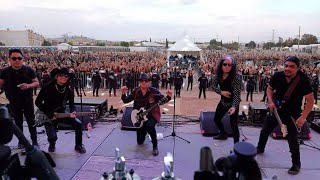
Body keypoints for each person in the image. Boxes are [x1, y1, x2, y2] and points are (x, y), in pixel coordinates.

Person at [256, 56, 314, 175]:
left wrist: (303, 117)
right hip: (277, 110)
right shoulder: (278, 76)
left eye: (292, 67)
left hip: (292, 114)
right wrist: (271, 101)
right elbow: (270, 89)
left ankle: (296, 164)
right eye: (286, 65)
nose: (288, 68)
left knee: (292, 139)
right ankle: (260, 148)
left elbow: (310, 100)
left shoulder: (303, 80)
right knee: (265, 130)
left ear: (298, 68)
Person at [35, 68, 86, 154]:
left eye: (66, 76)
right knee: (52, 136)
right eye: (61, 75)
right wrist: (50, 113)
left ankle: (78, 145)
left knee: (78, 124)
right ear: (57, 77)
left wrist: (73, 111)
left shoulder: (68, 90)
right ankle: (52, 143)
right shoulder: (47, 87)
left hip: (62, 113)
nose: (64, 77)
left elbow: (72, 104)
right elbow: (37, 102)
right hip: (48, 114)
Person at [121, 73, 172, 156]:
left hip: (152, 115)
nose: (143, 82)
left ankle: (155, 146)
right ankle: (144, 131)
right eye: (142, 81)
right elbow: (126, 100)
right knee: (140, 142)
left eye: (145, 81)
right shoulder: (136, 91)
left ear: (148, 82)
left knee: (150, 126)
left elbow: (163, 100)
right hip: (140, 117)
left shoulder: (153, 91)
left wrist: (168, 97)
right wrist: (123, 93)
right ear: (139, 82)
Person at [0, 49, 39, 148]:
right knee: (18, 123)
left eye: (19, 58)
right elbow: (0, 83)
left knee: (31, 121)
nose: (17, 60)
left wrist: (28, 86)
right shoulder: (5, 72)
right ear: (10, 59)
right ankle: (21, 142)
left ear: (22, 59)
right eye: (14, 58)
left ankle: (34, 141)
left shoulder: (29, 70)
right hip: (13, 101)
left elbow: (36, 82)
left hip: (27, 101)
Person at [211, 56, 241, 144]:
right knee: (216, 119)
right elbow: (213, 86)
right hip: (223, 102)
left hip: (233, 104)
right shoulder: (218, 76)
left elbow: (236, 95)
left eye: (229, 65)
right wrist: (221, 92)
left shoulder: (235, 78)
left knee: (234, 125)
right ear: (221, 65)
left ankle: (237, 146)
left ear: (232, 67)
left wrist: (234, 107)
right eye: (225, 64)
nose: (227, 66)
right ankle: (223, 134)